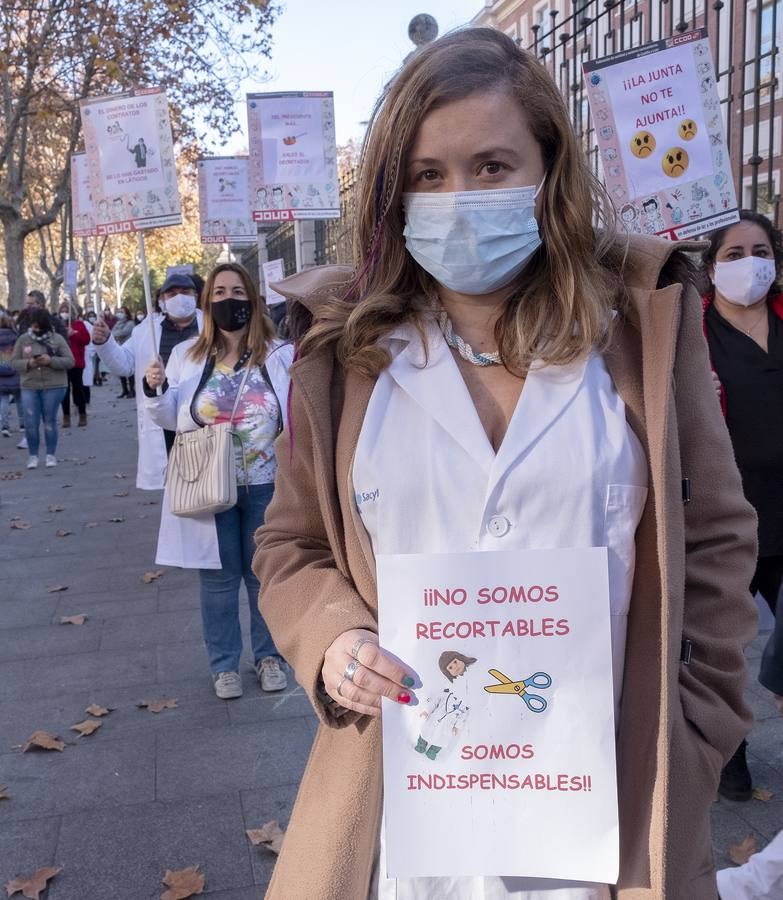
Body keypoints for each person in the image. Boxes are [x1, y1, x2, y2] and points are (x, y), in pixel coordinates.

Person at [253, 28, 758, 900]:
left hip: (611, 815)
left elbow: (714, 534)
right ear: (394, 192)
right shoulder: (345, 355)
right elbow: (289, 547)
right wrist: (333, 640)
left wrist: (697, 730)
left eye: (491, 167)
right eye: (428, 174)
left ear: (547, 172)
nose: (459, 197)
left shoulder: (639, 331)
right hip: (405, 821)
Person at [143, 263, 293, 699]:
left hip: (268, 485)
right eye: (221, 291)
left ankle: (269, 657)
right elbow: (171, 415)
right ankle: (224, 665)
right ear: (209, 302)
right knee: (219, 579)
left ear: (253, 299)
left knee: (263, 576)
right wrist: (155, 392)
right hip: (210, 484)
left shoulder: (281, 354)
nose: (230, 300)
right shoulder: (187, 355)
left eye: (238, 291)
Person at [700, 210, 783, 801]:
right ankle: (731, 754)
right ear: (710, 267)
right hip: (728, 517)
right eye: (733, 254)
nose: (749, 263)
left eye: (761, 250)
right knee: (720, 647)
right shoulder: (691, 335)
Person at [91, 273, 203, 489]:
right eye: (172, 293)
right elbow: (124, 364)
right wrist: (105, 341)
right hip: (163, 415)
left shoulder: (212, 325)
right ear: (161, 300)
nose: (179, 297)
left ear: (196, 296)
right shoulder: (146, 331)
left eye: (185, 292)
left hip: (201, 415)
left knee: (207, 482)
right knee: (173, 486)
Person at [11, 307, 73, 468]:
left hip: (54, 385)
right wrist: (28, 363)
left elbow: (70, 361)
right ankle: (33, 456)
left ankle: (51, 455)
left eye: (38, 326)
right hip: (29, 385)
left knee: (49, 420)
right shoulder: (23, 339)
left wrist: (50, 360)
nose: (35, 329)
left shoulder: (57, 339)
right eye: (33, 325)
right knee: (31, 422)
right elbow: (13, 362)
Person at [57, 301, 90, 427]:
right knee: (64, 391)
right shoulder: (58, 325)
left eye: (67, 311)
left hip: (76, 362)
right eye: (62, 311)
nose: (64, 313)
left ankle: (82, 414)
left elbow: (86, 340)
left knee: (78, 389)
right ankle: (66, 416)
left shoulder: (79, 324)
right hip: (62, 362)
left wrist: (74, 334)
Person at [0, 314, 22, 436]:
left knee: (3, 400)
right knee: (19, 399)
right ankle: (22, 424)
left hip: (1, 371)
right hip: (14, 370)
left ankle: (4, 426)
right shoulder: (15, 336)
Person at [111, 305, 136, 397]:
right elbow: (112, 332)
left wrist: (116, 334)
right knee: (121, 369)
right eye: (119, 312)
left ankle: (132, 390)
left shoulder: (130, 323)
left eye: (122, 312)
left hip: (128, 348)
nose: (120, 314)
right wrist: (116, 334)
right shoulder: (118, 323)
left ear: (126, 313)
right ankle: (124, 390)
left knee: (130, 371)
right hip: (119, 347)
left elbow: (123, 332)